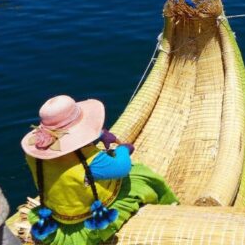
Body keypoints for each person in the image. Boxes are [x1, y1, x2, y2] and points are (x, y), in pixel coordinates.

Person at [21, 95, 177, 244]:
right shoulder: (92, 161)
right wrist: (123, 150)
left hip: (58, 213)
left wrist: (100, 134)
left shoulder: (34, 157)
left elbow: (65, 149)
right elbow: (122, 168)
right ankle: (169, 204)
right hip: (90, 216)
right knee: (140, 174)